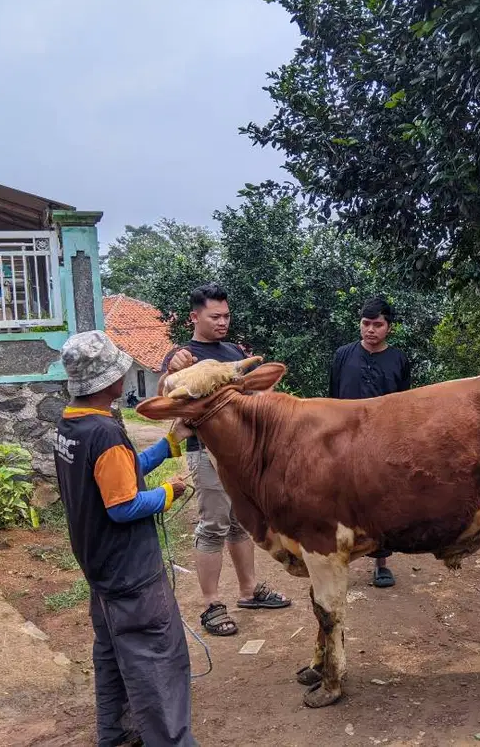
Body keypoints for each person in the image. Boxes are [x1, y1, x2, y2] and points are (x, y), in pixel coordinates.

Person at [53, 330, 197, 747]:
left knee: (113, 655)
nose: (123, 375)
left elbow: (120, 473)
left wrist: (169, 444)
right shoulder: (105, 433)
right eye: (119, 370)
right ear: (109, 382)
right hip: (131, 573)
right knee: (158, 660)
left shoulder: (71, 425)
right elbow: (123, 505)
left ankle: (117, 735)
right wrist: (169, 492)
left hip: (99, 566)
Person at [158, 283, 291, 637]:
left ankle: (249, 590)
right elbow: (165, 394)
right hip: (205, 452)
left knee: (239, 522)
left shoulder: (232, 351)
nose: (223, 322)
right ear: (194, 317)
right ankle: (211, 604)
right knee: (213, 525)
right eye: (215, 316)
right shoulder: (182, 356)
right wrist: (171, 369)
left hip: (240, 453)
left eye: (226, 316)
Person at [329, 296, 412, 588]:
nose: (370, 330)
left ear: (389, 327)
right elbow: (333, 397)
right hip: (346, 439)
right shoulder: (342, 355)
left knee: (380, 500)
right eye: (366, 323)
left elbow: (404, 404)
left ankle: (381, 563)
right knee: (342, 499)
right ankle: (338, 559)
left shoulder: (399, 359)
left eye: (377, 324)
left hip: (383, 442)